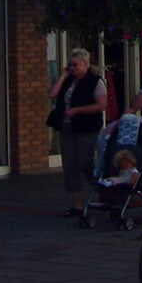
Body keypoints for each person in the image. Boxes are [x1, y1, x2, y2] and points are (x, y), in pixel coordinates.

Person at [48, 48, 106, 214]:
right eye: (70, 65)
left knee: (85, 162)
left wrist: (78, 110)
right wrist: (63, 76)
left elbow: (101, 105)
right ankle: (77, 204)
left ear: (85, 65)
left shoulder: (95, 81)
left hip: (86, 126)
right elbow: (52, 94)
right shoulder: (68, 80)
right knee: (70, 164)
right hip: (66, 126)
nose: (72, 68)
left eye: (75, 65)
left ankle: (102, 189)